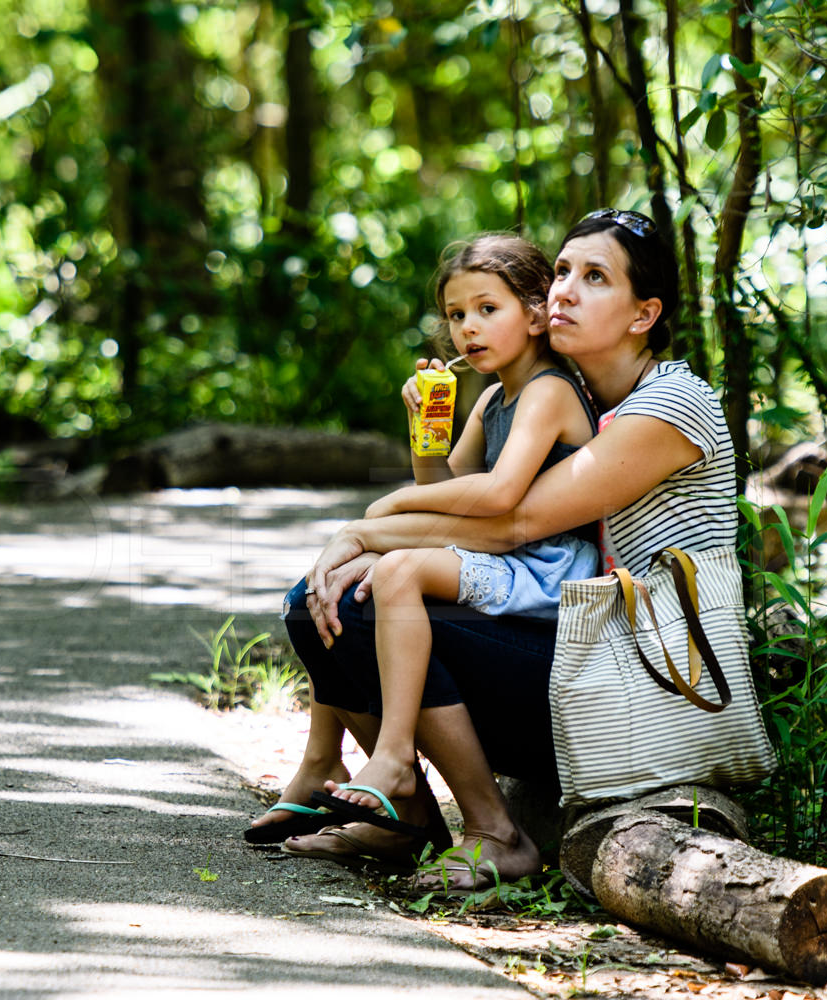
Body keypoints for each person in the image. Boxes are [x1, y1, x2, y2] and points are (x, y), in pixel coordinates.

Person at [285, 208, 738, 891]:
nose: (564, 291)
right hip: (583, 651)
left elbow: (508, 523)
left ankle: (494, 830)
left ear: (644, 315)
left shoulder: (669, 407)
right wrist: (419, 454)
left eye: (594, 277)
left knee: (374, 594)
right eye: (561, 271)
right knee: (323, 602)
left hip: (645, 685)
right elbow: (465, 507)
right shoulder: (567, 394)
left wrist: (367, 529)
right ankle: (404, 813)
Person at [243, 233, 601, 851]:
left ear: (537, 313)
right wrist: (425, 437)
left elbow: (497, 496)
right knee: (317, 596)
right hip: (493, 556)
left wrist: (384, 512)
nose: (469, 328)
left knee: (388, 574)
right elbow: (448, 491)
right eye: (457, 315)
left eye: (489, 309)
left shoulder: (549, 389)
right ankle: (354, 780)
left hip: (540, 574)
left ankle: (395, 759)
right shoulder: (493, 396)